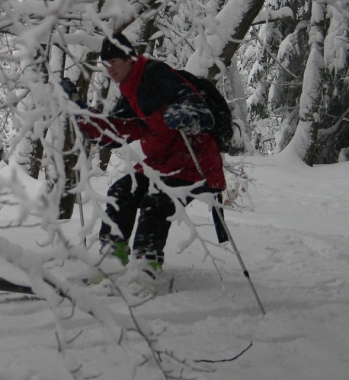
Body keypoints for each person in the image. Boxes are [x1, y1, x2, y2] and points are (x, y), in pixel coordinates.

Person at [62, 33, 226, 273]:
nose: (109, 69)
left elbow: (199, 108)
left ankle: (146, 266)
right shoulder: (131, 90)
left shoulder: (155, 74)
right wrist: (81, 113)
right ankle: (111, 259)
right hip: (161, 164)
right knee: (120, 192)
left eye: (114, 62)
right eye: (105, 64)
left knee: (156, 201)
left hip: (193, 164)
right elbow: (117, 131)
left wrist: (185, 113)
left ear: (129, 58)